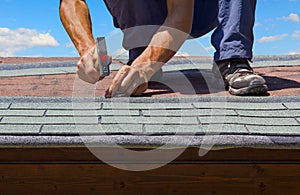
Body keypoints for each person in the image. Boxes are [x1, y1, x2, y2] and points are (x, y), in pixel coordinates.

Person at [59, 0, 268, 97]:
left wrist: (144, 67)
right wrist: (87, 49)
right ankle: (141, 51)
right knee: (140, 69)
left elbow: (179, 14)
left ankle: (232, 58)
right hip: (153, 11)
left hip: (202, 9)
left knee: (143, 67)